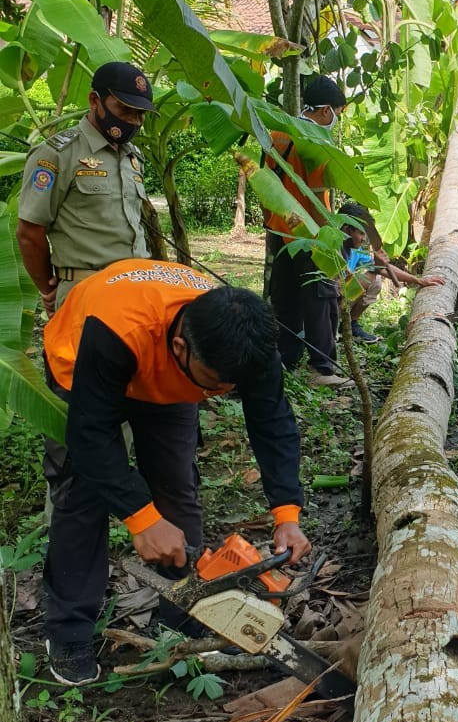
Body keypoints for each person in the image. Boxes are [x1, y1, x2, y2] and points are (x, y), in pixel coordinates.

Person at [41, 259, 310, 685]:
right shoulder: (117, 328)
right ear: (182, 347)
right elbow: (90, 434)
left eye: (230, 388)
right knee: (81, 493)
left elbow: (272, 421)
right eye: (214, 384)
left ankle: (181, 618)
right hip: (86, 364)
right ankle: (69, 631)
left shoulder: (246, 344)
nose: (219, 395)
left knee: (175, 483)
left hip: (165, 377)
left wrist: (287, 514)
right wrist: (141, 518)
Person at [262, 75, 381, 387]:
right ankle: (322, 368)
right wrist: (329, 240)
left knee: (285, 297)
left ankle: (285, 360)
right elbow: (316, 193)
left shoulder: (277, 133)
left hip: (280, 230)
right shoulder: (314, 140)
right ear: (326, 110)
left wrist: (271, 223)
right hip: (310, 233)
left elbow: (263, 182)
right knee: (320, 296)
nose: (336, 120)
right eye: (337, 114)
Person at [17, 61, 154, 312]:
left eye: (140, 114)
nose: (133, 121)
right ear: (94, 101)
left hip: (137, 290)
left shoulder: (132, 157)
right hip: (86, 292)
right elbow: (29, 232)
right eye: (124, 110)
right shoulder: (57, 154)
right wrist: (48, 289)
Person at [340, 203, 445, 342]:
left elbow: (386, 268)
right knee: (373, 275)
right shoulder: (332, 250)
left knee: (375, 279)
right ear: (347, 231)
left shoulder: (355, 252)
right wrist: (375, 269)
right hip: (330, 302)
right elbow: (336, 289)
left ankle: (350, 324)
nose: (364, 239)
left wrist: (419, 281)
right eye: (360, 233)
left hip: (340, 301)